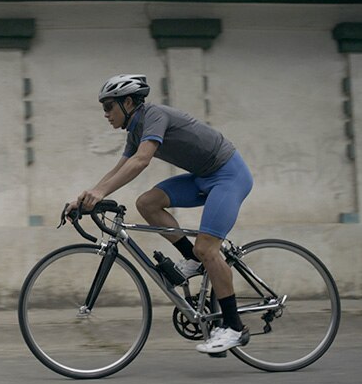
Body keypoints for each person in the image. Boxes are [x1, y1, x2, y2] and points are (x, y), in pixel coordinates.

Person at [67, 74, 254, 354]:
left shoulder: (153, 115)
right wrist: (88, 195)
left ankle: (234, 328)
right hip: (203, 177)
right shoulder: (135, 130)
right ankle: (192, 258)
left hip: (229, 175)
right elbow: (121, 167)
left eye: (109, 106)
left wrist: (101, 193)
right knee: (147, 203)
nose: (105, 114)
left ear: (128, 102)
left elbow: (142, 160)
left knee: (209, 248)